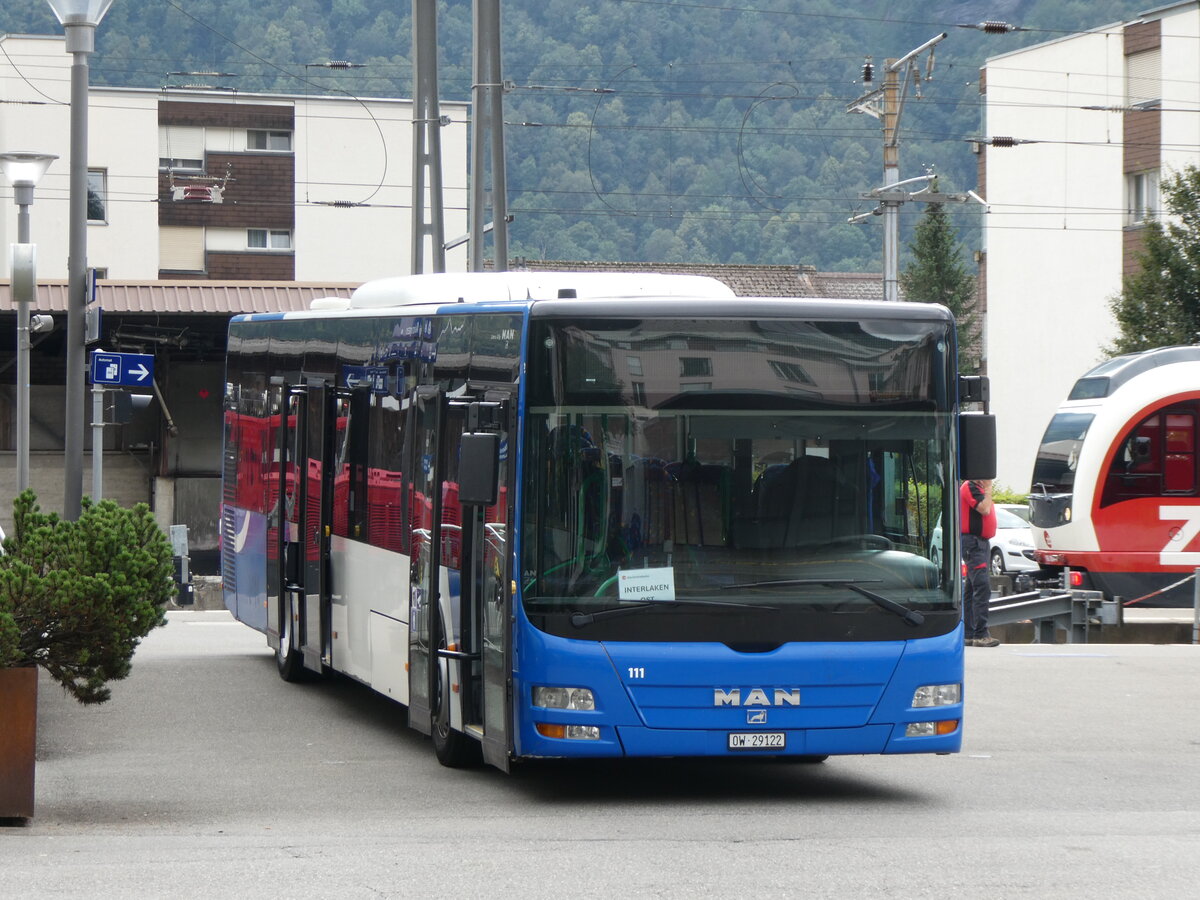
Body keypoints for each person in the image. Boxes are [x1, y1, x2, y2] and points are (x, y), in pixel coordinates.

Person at [960, 478, 1000, 647]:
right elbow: (984, 509)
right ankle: (980, 634)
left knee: (971, 588)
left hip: (979, 543)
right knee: (982, 586)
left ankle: (969, 633)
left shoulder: (976, 487)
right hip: (974, 543)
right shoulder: (970, 486)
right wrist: (989, 489)